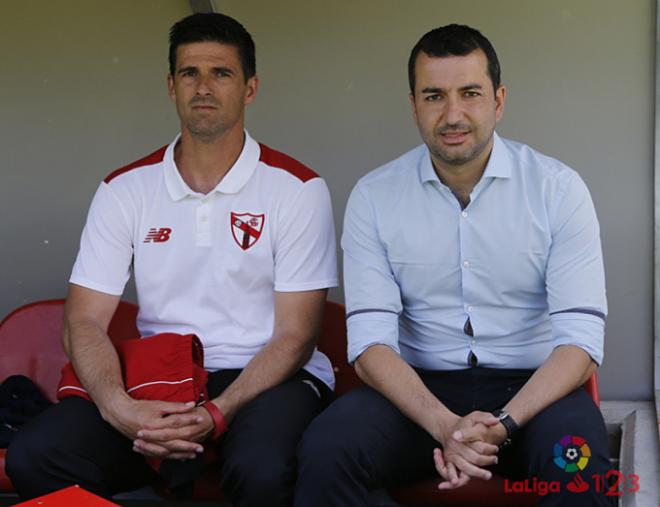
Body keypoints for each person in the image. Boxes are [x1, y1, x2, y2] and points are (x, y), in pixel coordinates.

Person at [7, 12, 338, 507]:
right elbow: (83, 321)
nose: (203, 87)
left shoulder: (297, 188)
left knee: (262, 470)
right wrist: (120, 408)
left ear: (250, 88)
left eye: (221, 73)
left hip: (268, 378)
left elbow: (297, 335)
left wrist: (219, 413)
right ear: (171, 86)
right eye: (190, 73)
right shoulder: (125, 189)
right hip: (163, 375)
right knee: (37, 454)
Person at [295, 24, 609, 507]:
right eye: (434, 96)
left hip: (533, 391)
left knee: (579, 461)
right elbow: (370, 344)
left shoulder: (558, 189)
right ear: (414, 105)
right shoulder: (375, 197)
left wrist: (503, 423)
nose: (453, 114)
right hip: (418, 392)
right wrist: (446, 426)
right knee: (326, 450)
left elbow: (580, 342)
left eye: (470, 93)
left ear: (498, 101)